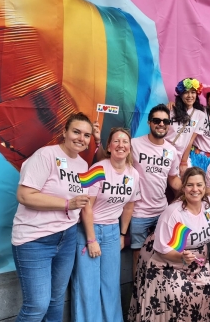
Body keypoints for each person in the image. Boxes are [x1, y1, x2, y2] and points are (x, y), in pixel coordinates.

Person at [11, 112, 95, 322]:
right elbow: (24, 195)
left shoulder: (83, 166)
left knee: (56, 300)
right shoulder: (45, 155)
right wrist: (68, 204)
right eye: (76, 131)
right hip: (34, 240)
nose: (81, 138)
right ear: (64, 132)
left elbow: (83, 203)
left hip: (66, 238)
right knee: (36, 306)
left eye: (86, 135)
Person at [128, 167, 210, 322]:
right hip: (168, 261)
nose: (195, 189)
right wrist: (181, 257)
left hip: (198, 262)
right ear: (183, 187)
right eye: (190, 185)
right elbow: (162, 250)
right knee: (177, 294)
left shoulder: (207, 203)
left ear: (205, 187)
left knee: (208, 288)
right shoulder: (174, 213)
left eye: (199, 185)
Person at [71, 127, 140, 321]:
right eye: (116, 141)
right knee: (88, 286)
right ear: (108, 147)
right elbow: (86, 207)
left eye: (125, 141)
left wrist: (121, 234)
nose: (121, 145)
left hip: (112, 231)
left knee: (111, 285)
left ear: (129, 147)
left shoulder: (133, 174)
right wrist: (91, 239)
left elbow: (129, 207)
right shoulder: (97, 169)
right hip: (88, 230)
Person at [130, 104, 181, 275]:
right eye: (157, 120)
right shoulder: (134, 144)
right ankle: (137, 296)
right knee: (138, 256)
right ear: (149, 122)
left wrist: (193, 188)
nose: (161, 124)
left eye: (166, 121)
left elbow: (173, 179)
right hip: (138, 212)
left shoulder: (171, 150)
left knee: (164, 255)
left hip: (162, 212)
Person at [165, 77, 206, 174]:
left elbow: (191, 140)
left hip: (182, 155)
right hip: (165, 152)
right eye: (186, 92)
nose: (190, 95)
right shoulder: (171, 109)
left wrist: (183, 161)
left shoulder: (200, 115)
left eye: (193, 92)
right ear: (180, 94)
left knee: (184, 183)